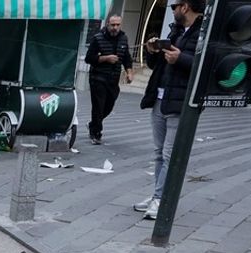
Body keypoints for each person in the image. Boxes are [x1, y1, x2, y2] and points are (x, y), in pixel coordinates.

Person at [136, 0, 204, 221]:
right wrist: (153, 52)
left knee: (168, 154)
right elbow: (157, 66)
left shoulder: (203, 33)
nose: (172, 10)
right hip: (160, 98)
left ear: (185, 7)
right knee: (158, 153)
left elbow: (207, 66)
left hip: (180, 101)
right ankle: (158, 194)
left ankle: (160, 199)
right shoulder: (174, 31)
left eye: (175, 6)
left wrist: (180, 58)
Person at [84, 14, 133, 145]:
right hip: (98, 77)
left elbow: (127, 58)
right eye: (113, 25)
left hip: (114, 79)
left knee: (109, 106)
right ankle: (96, 133)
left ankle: (93, 124)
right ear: (107, 24)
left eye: (117, 25)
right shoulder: (98, 38)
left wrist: (129, 72)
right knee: (98, 106)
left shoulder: (123, 38)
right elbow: (89, 58)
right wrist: (105, 58)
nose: (115, 27)